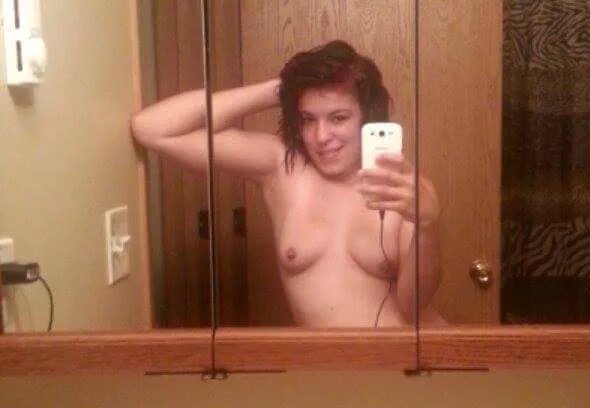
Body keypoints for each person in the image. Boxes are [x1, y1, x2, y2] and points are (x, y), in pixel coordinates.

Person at [131, 40, 441, 328]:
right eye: (308, 119)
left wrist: (427, 226)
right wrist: (281, 89)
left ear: (367, 118)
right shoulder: (282, 167)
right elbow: (151, 129)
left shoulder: (400, 186)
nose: (321, 136)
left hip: (398, 361)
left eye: (338, 118)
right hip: (319, 364)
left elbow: (413, 307)